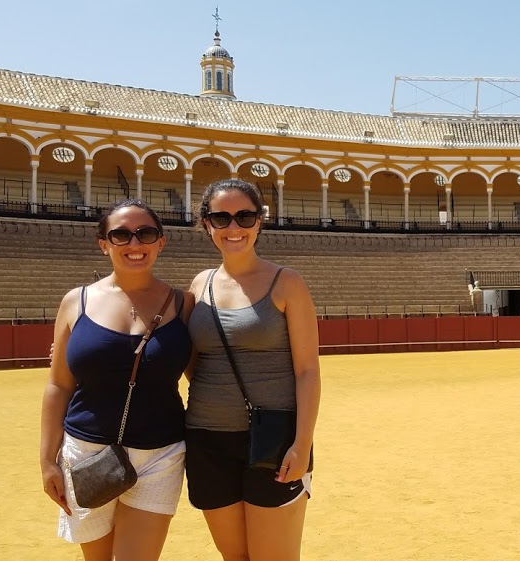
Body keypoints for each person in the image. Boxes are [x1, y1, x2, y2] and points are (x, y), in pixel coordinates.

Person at [39, 200, 194, 561]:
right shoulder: (75, 302)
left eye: (146, 233)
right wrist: (48, 460)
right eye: (121, 235)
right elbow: (58, 385)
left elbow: (203, 376)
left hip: (160, 455)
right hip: (85, 453)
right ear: (103, 244)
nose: (134, 244)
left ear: (161, 242)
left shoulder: (184, 304)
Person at [185, 178, 321, 561]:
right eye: (221, 218)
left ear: (260, 221)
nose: (234, 228)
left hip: (275, 441)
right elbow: (188, 357)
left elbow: (308, 369)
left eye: (245, 216)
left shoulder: (287, 282)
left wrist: (303, 442)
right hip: (206, 439)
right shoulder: (200, 284)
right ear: (206, 223)